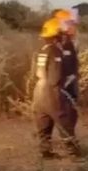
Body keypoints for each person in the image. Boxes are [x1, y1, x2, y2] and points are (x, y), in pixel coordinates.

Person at [32, 18, 81, 159]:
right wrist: (67, 83)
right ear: (57, 35)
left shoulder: (41, 50)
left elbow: (35, 72)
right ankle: (73, 152)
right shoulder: (55, 51)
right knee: (64, 120)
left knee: (43, 122)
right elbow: (55, 77)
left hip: (38, 91)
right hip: (51, 92)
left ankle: (45, 151)